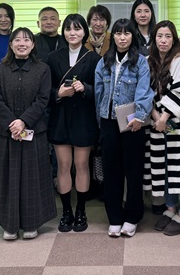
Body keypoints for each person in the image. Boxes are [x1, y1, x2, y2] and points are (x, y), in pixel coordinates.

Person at [0, 27, 56, 240]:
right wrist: (12, 123)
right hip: (6, 132)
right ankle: (9, 225)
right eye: (17, 40)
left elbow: (43, 99)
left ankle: (31, 223)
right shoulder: (0, 70)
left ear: (33, 44)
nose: (22, 43)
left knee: (31, 179)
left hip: (33, 131)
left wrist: (23, 121)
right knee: (6, 179)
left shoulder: (42, 69)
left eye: (27, 40)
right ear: (10, 44)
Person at [95, 19, 154, 238]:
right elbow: (99, 93)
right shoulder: (104, 61)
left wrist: (139, 116)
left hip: (132, 123)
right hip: (109, 121)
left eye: (126, 33)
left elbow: (144, 91)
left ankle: (132, 217)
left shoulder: (140, 62)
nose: (122, 38)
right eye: (118, 34)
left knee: (133, 171)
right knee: (112, 172)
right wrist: (100, 122)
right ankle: (115, 217)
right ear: (113, 37)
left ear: (132, 37)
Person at [45, 14, 101, 233]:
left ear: (84, 32)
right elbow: (45, 90)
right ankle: (66, 211)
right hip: (60, 117)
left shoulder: (94, 58)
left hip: (83, 118)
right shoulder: (53, 57)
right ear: (64, 32)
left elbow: (101, 90)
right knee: (63, 165)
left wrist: (85, 88)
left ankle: (81, 211)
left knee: (82, 165)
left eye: (77, 29)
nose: (72, 33)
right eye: (68, 29)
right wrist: (58, 94)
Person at [145, 20, 180, 236]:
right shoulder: (148, 60)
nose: (163, 40)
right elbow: (144, 92)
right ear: (154, 39)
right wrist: (156, 117)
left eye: (168, 36)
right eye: (159, 36)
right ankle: (170, 209)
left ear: (174, 39)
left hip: (178, 123)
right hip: (156, 123)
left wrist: (164, 116)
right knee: (164, 166)